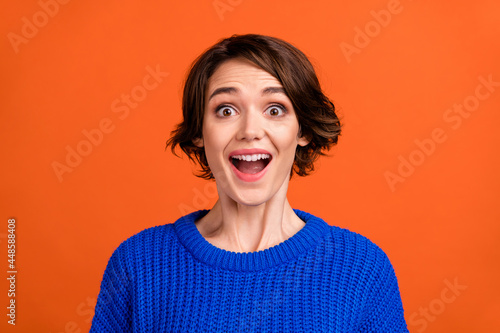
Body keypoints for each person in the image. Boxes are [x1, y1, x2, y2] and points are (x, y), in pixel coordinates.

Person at [90, 34, 408, 332]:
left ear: (303, 131)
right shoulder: (139, 262)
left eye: (275, 109)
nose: (250, 130)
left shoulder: (362, 267)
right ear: (200, 132)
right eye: (226, 110)